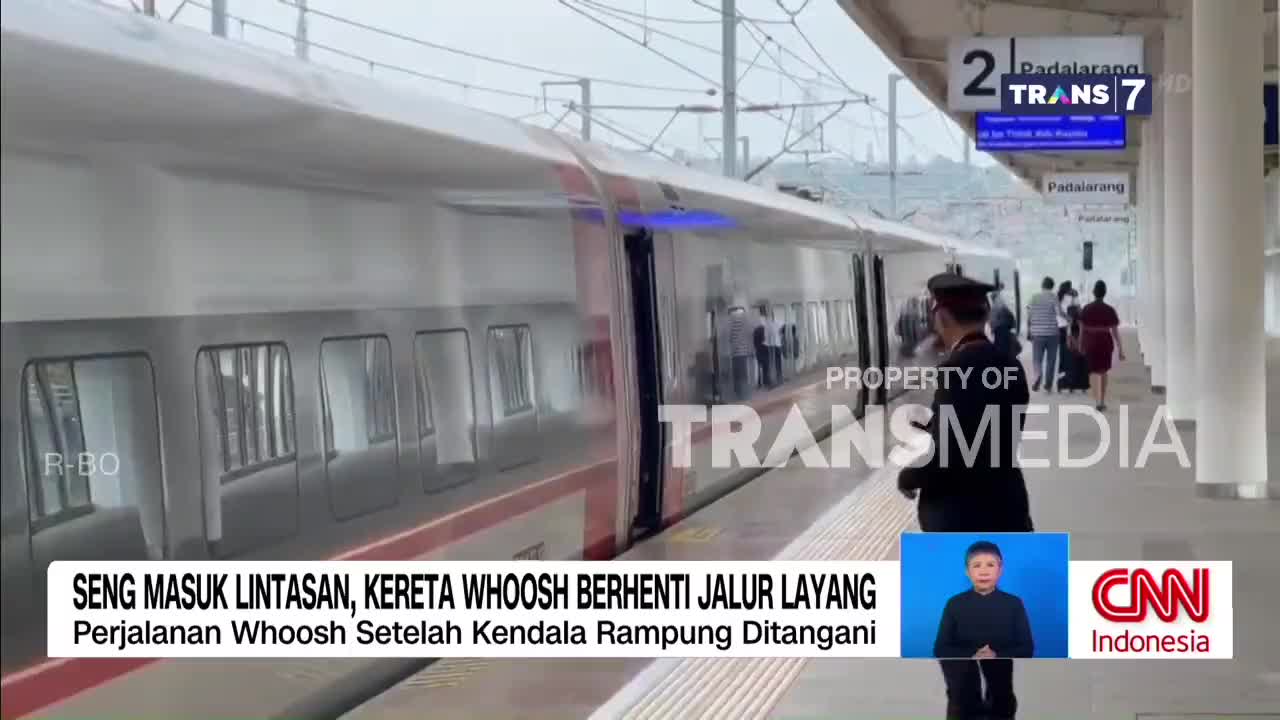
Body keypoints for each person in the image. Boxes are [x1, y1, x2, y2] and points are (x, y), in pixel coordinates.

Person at [898, 273, 1034, 533]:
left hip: (964, 517)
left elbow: (952, 460)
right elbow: (989, 426)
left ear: (943, 318)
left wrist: (909, 476)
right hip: (1008, 505)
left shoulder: (956, 370)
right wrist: (936, 425)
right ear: (985, 316)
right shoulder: (1011, 366)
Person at [934, 541, 1035, 719]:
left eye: (990, 565)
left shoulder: (1013, 603)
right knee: (962, 699)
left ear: (1000, 569)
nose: (984, 571)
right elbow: (940, 648)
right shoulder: (955, 604)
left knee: (1001, 697)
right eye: (977, 565)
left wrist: (995, 654)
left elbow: (1027, 648)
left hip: (999, 671)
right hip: (961, 672)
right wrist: (973, 654)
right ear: (968, 571)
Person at [1079, 280, 1125, 411]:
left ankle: (1096, 400)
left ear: (1094, 293)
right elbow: (1115, 332)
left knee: (1092, 372)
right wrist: (1120, 349)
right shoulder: (1110, 310)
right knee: (1103, 371)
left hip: (1090, 342)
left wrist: (1080, 345)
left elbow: (1082, 330)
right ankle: (1102, 401)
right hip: (1105, 342)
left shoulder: (1086, 309)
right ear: (1105, 293)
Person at [1025, 277, 1060, 392]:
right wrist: (1069, 318)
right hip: (1052, 333)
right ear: (1052, 286)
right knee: (1051, 360)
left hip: (1037, 333)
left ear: (1042, 285)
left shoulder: (1034, 297)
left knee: (1037, 359)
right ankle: (1048, 385)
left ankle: (1037, 375)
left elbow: (1029, 315)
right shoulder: (1053, 297)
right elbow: (1059, 313)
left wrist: (1029, 330)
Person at [727, 305, 753, 401]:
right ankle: (743, 394)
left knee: (737, 374)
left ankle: (739, 394)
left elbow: (729, 337)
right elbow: (748, 334)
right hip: (743, 352)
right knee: (743, 374)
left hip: (735, 352)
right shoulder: (743, 320)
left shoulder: (731, 321)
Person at [988, 286, 1020, 360]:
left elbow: (992, 321)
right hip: (1002, 330)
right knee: (1004, 349)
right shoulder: (1000, 307)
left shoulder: (995, 308)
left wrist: (992, 329)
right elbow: (1010, 317)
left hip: (998, 331)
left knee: (1000, 349)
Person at [753, 306, 771, 388]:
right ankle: (766, 382)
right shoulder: (765, 323)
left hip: (758, 347)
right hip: (764, 347)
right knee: (765, 366)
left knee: (759, 366)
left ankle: (760, 383)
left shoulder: (757, 324)